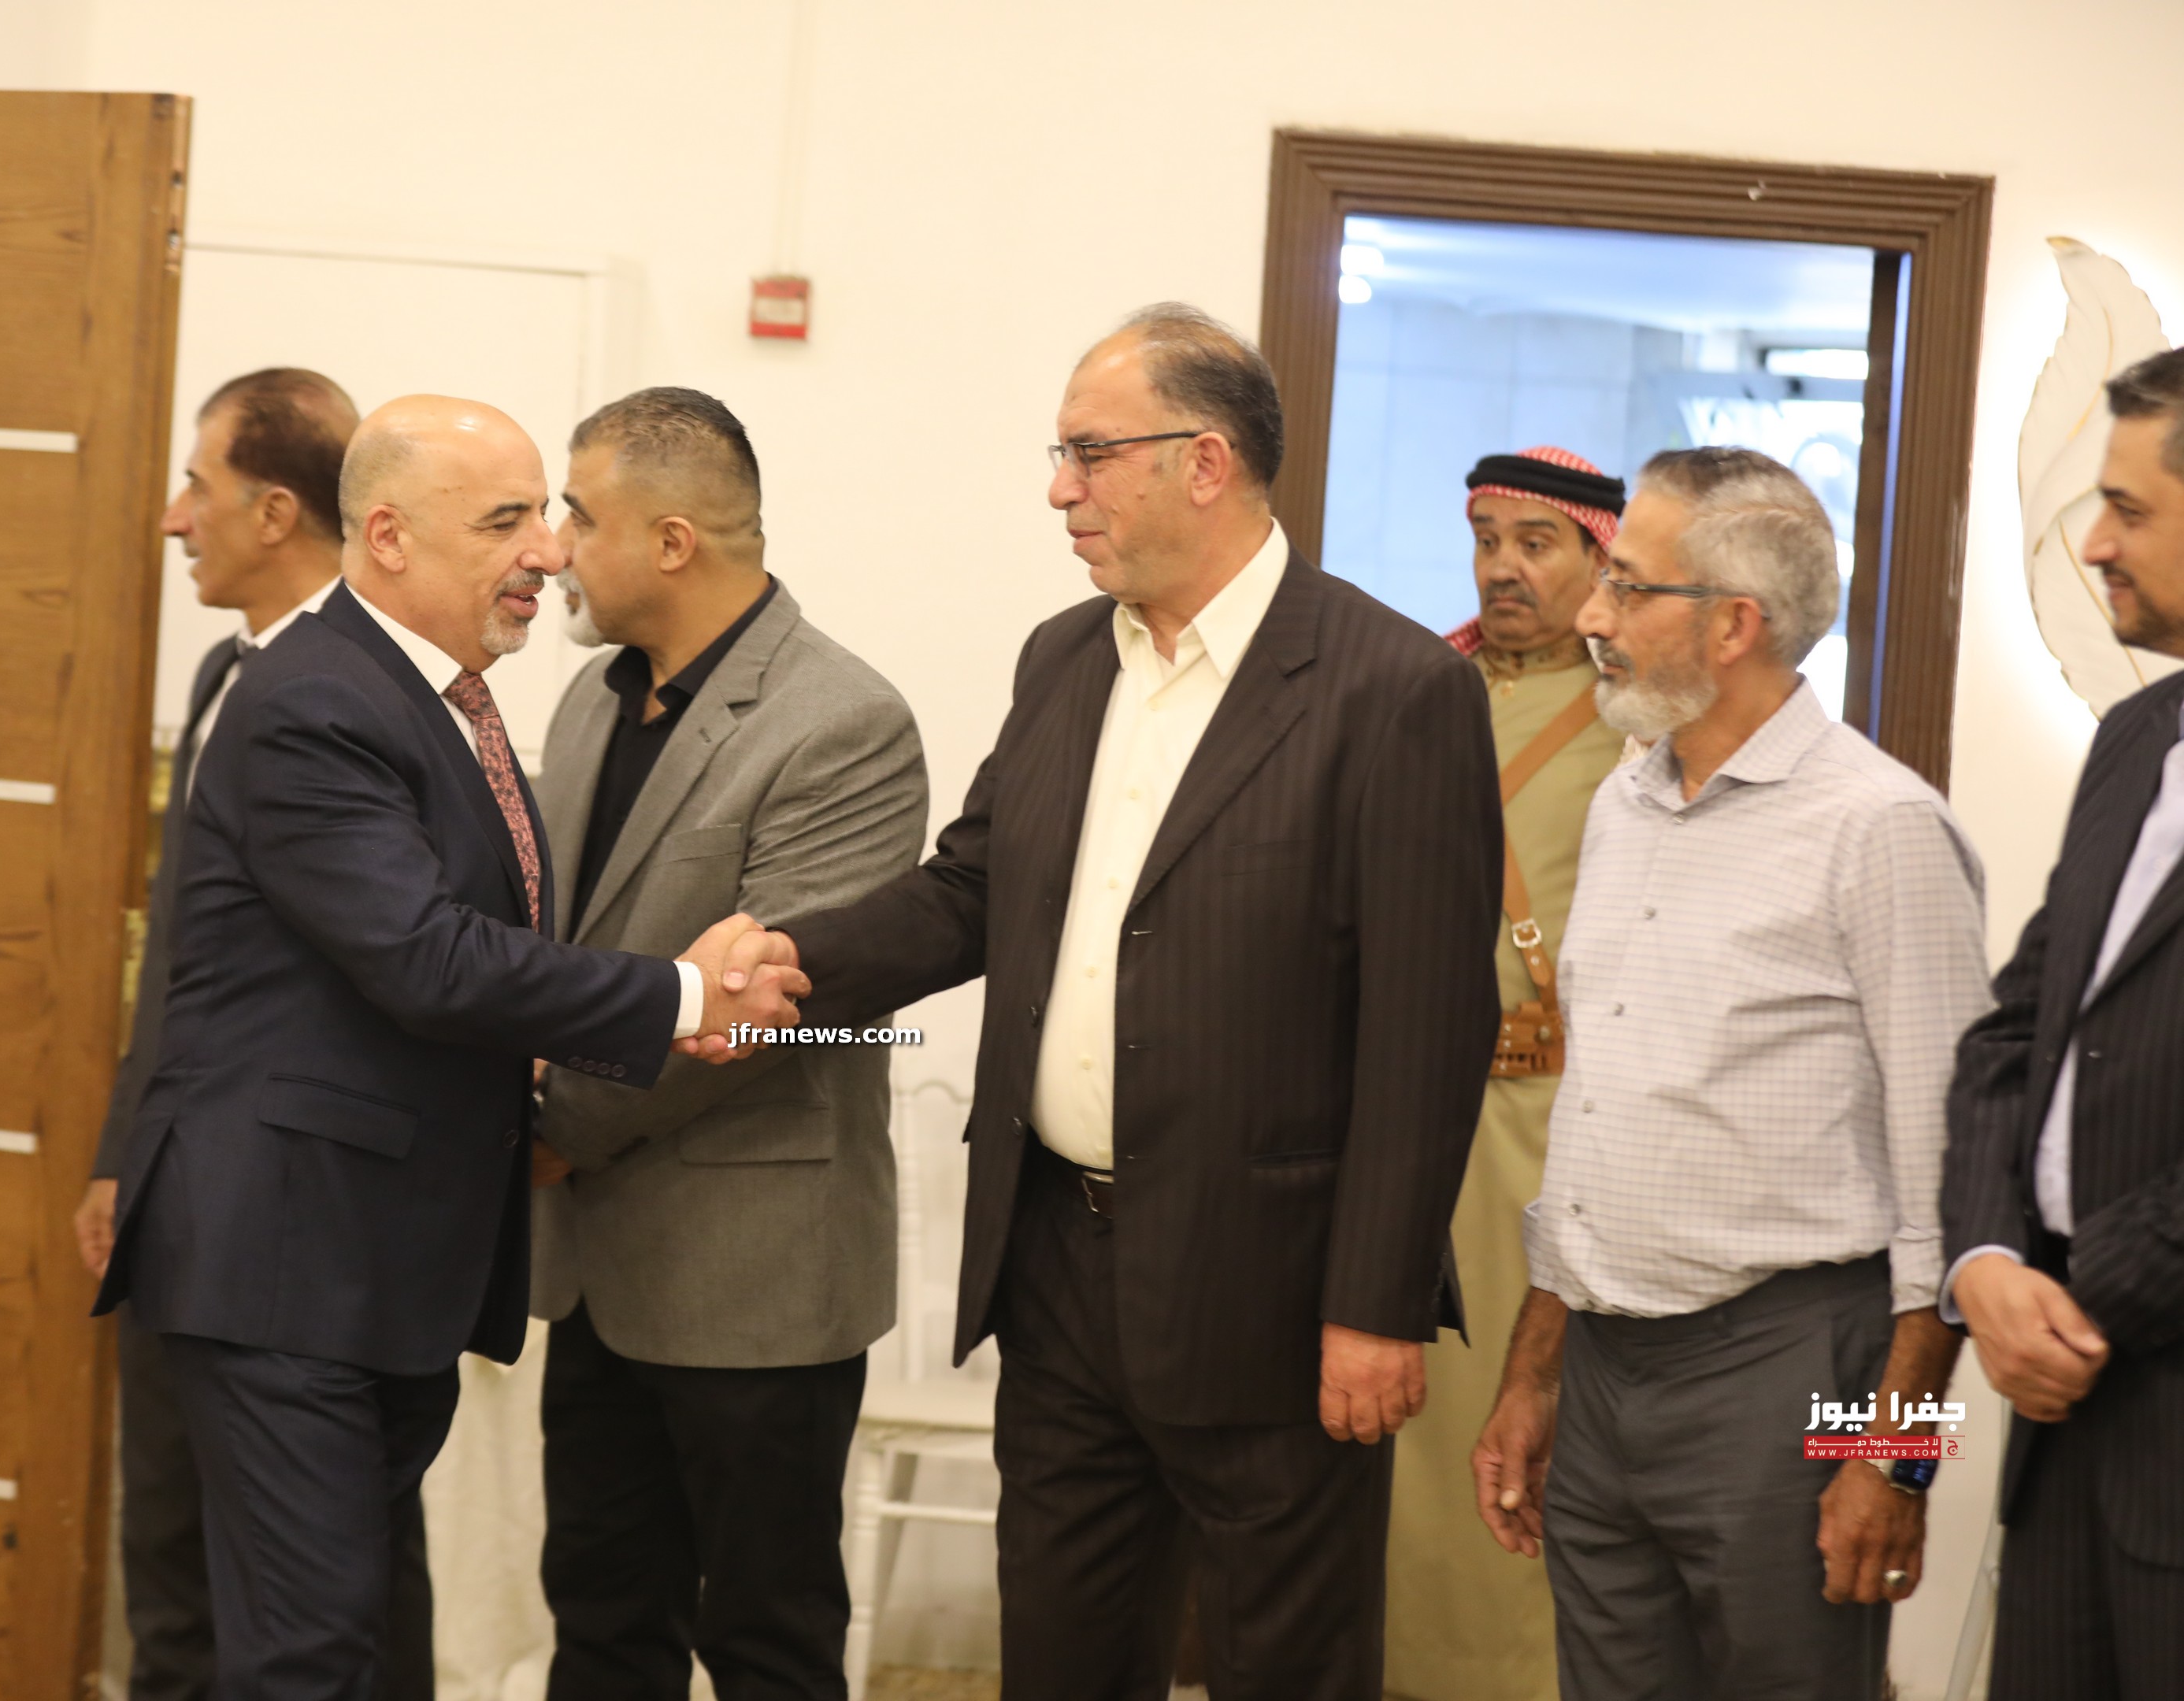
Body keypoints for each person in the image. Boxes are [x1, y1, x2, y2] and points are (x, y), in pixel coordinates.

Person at [701, 304, 1503, 1699]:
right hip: (1060, 1263)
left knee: (1287, 1669)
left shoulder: (1395, 690)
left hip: (1275, 1289)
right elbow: (972, 887)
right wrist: (793, 959)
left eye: (1089, 453)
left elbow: (1428, 1033)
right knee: (1062, 1660)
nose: (1059, 489)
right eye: (1060, 455)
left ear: (1206, 462)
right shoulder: (1067, 657)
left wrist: (1375, 1305)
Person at [90, 395, 810, 1698]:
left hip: (372, 1267)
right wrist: (683, 997)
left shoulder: (437, 700)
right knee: (311, 1657)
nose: (547, 550)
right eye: (503, 522)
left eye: (545, 516)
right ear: (387, 537)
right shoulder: (318, 699)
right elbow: (425, 958)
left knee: (367, 1645)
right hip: (286, 1264)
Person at [1471, 447, 1992, 1699]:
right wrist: (1535, 1376)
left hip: (1789, 1366)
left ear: (1734, 624)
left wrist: (1898, 1459)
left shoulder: (1880, 829)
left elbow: (1957, 1185)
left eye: (1628, 587)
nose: (1593, 617)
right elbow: (1598, 1121)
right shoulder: (1628, 803)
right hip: (1602, 1366)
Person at [528, 387, 927, 1700]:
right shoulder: (591, 701)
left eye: (579, 517)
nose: (554, 546)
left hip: (756, 1275)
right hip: (596, 1263)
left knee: (767, 1642)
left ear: (671, 541)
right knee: (600, 1620)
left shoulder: (843, 721)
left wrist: (549, 1134)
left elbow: (766, 1017)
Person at [70, 366, 362, 1701]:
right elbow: (184, 954)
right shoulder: (220, 670)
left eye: (201, 486)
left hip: (298, 1223)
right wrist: (122, 1150)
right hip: (177, 1181)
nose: (175, 517)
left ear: (276, 510)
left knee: (306, 1602)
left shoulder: (363, 684)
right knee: (168, 1551)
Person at [1943, 346, 2184, 1698]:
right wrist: (1987, 1258)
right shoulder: (2135, 740)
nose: (2094, 545)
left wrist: (2074, 1303)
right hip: (2060, 1428)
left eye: (2128, 510)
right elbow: (2016, 1034)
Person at [1384, 448, 1627, 1701]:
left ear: (1598, 556)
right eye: (1488, 539)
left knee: (1523, 1428)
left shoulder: (1640, 719)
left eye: (1537, 542)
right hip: (1402, 1122)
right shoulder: (1416, 692)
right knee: (1401, 1429)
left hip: (1553, 1130)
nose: (1503, 567)